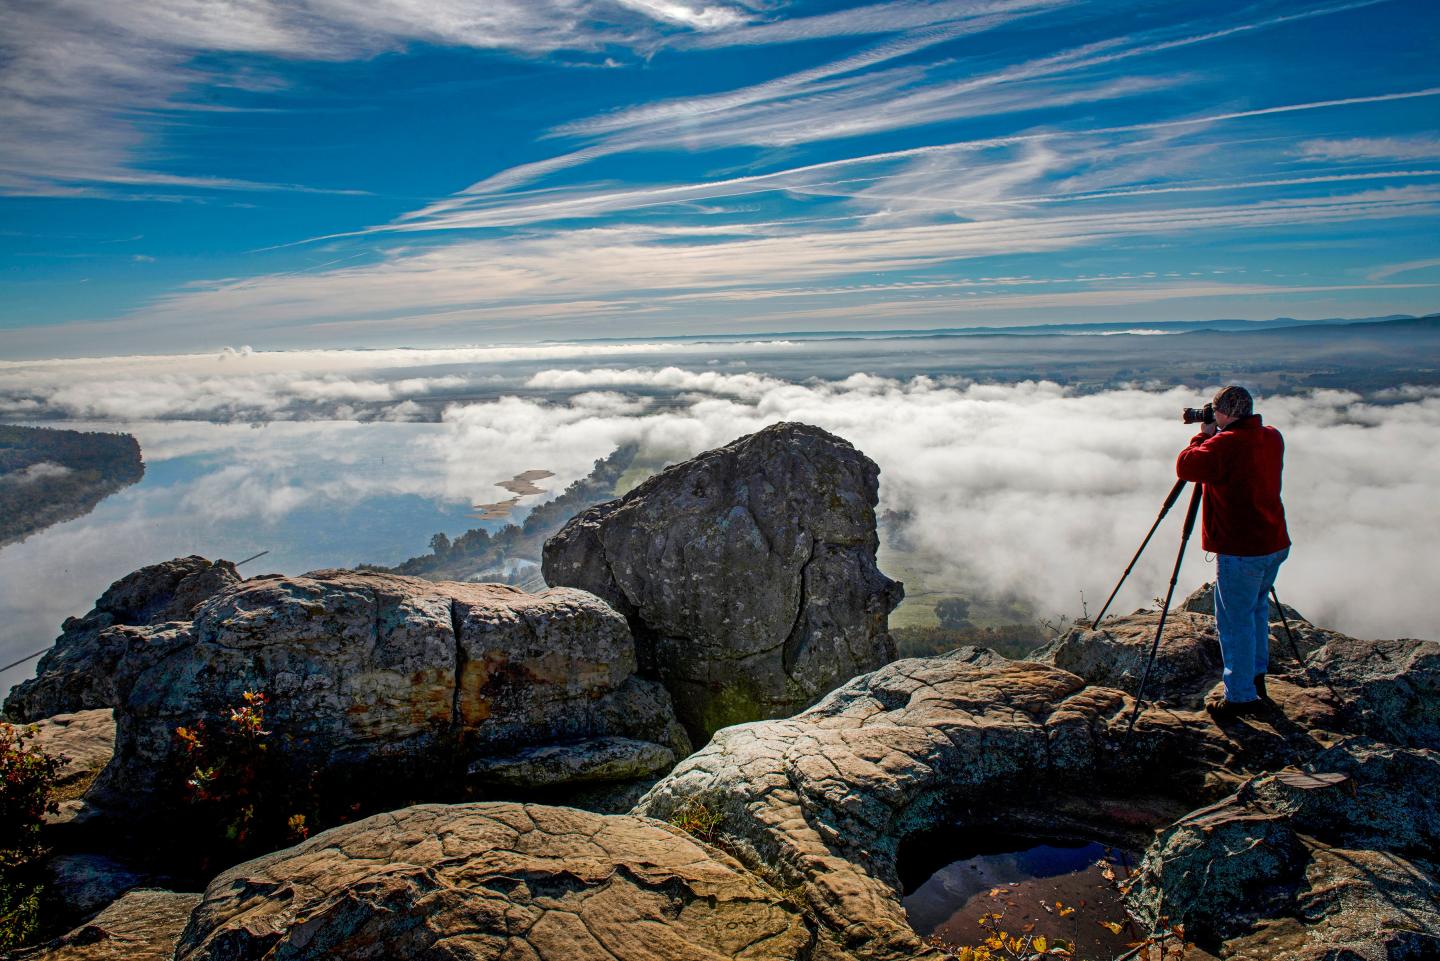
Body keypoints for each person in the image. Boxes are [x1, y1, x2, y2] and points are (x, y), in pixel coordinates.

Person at [1175, 385, 1290, 721]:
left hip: (1243, 549)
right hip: (1274, 542)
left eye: (1214, 411)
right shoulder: (1271, 436)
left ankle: (1240, 697)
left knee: (1235, 622)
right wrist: (1216, 432)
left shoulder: (1224, 444)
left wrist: (1202, 436)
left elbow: (1186, 466)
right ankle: (1254, 678)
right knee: (1255, 613)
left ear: (1222, 413)